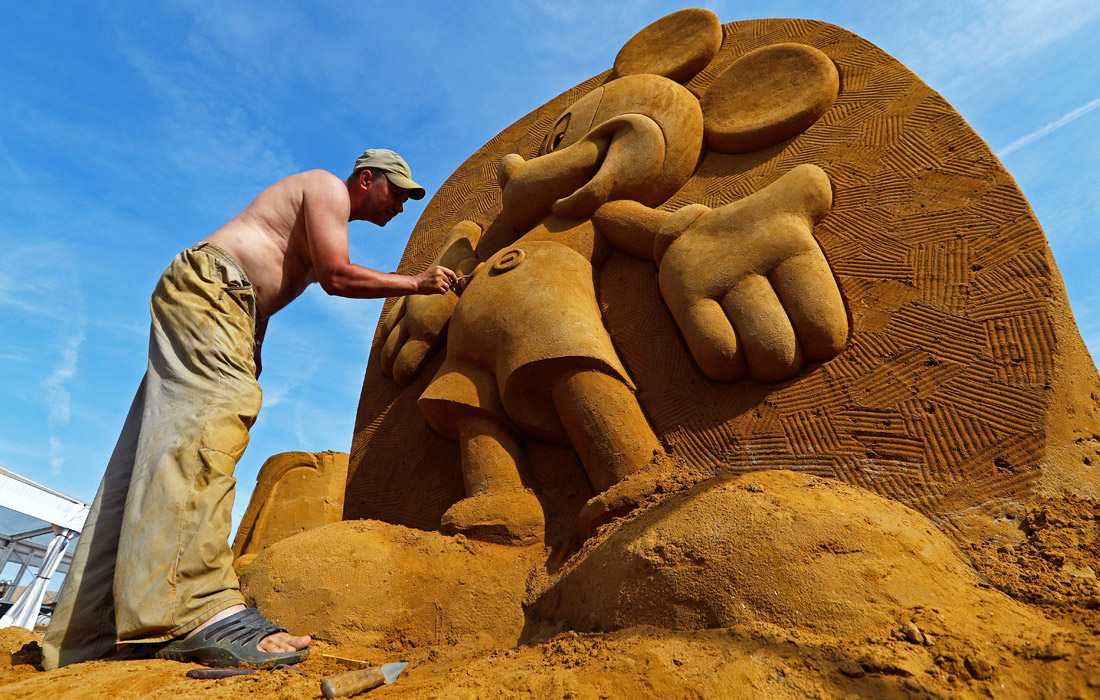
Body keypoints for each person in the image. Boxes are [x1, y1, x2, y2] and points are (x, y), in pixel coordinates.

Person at [42, 149, 458, 670]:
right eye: (396, 190)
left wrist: (253, 341)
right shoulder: (326, 186)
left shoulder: (311, 219)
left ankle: (90, 633)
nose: (401, 205)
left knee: (153, 451)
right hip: (215, 290)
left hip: (216, 299)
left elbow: (268, 287)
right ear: (365, 178)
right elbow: (337, 276)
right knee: (206, 434)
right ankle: (196, 608)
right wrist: (417, 282)